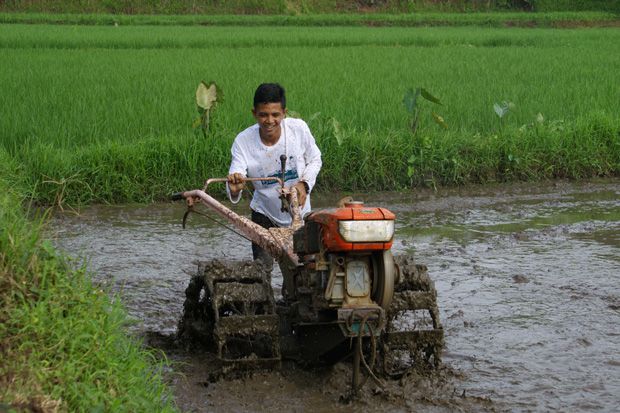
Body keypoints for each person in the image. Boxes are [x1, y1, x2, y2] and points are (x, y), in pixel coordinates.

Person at [226, 83, 322, 292]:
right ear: (254, 113)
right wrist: (235, 186)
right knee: (261, 273)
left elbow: (315, 159)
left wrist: (304, 184)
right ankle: (266, 311)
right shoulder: (243, 142)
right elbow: (236, 174)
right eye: (263, 115)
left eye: (275, 115)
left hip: (300, 215)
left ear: (284, 113)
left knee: (307, 272)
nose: (269, 121)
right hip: (264, 216)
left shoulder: (298, 130)